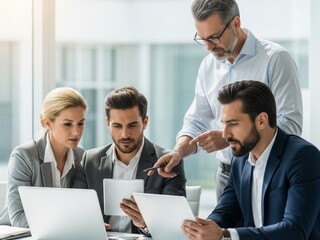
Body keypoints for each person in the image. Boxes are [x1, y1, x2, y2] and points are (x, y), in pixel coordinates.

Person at [148, 0, 303, 201]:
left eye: (214, 37)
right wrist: (178, 153)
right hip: (226, 176)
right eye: (202, 39)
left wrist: (229, 136)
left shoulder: (275, 59)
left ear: (235, 24)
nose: (208, 47)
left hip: (269, 173)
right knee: (222, 232)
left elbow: (290, 124)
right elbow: (196, 121)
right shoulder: (208, 66)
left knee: (266, 233)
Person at [182, 80, 320, 240]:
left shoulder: (303, 157)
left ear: (261, 120)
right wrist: (204, 228)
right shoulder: (240, 159)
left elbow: (295, 231)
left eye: (233, 124)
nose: (225, 135)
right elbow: (227, 210)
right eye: (224, 124)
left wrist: (224, 235)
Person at [73, 86, 186, 234]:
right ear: (107, 123)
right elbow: (76, 212)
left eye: (132, 125)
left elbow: (174, 225)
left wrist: (146, 224)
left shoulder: (168, 163)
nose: (125, 134)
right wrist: (88, 225)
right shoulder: (89, 160)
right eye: (117, 126)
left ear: (145, 122)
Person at [0, 87, 88, 227]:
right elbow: (18, 217)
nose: (76, 131)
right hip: (21, 235)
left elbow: (77, 210)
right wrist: (66, 226)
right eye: (67, 124)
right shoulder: (24, 156)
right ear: (47, 123)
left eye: (81, 123)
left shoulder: (81, 156)